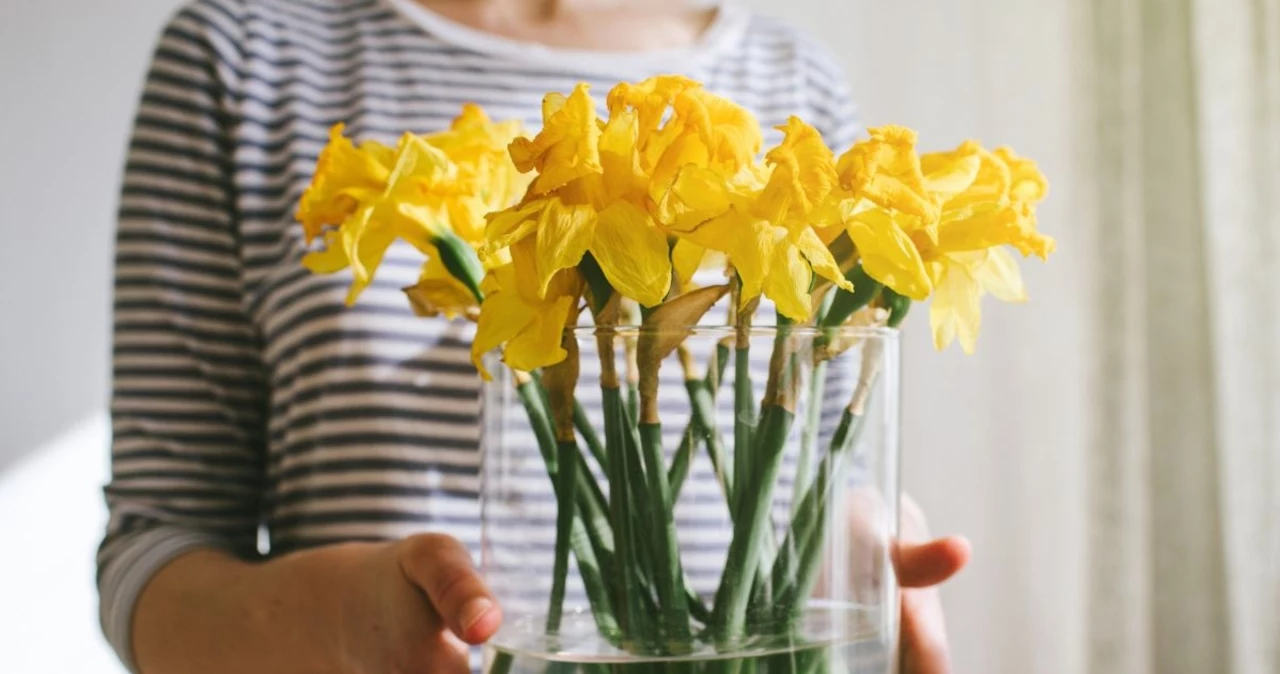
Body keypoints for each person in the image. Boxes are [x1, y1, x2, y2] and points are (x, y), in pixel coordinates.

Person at [100, 0, 971, 672]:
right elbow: (152, 551)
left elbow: (807, 458)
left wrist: (848, 540)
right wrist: (323, 628)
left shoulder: (790, 75)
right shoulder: (244, 54)